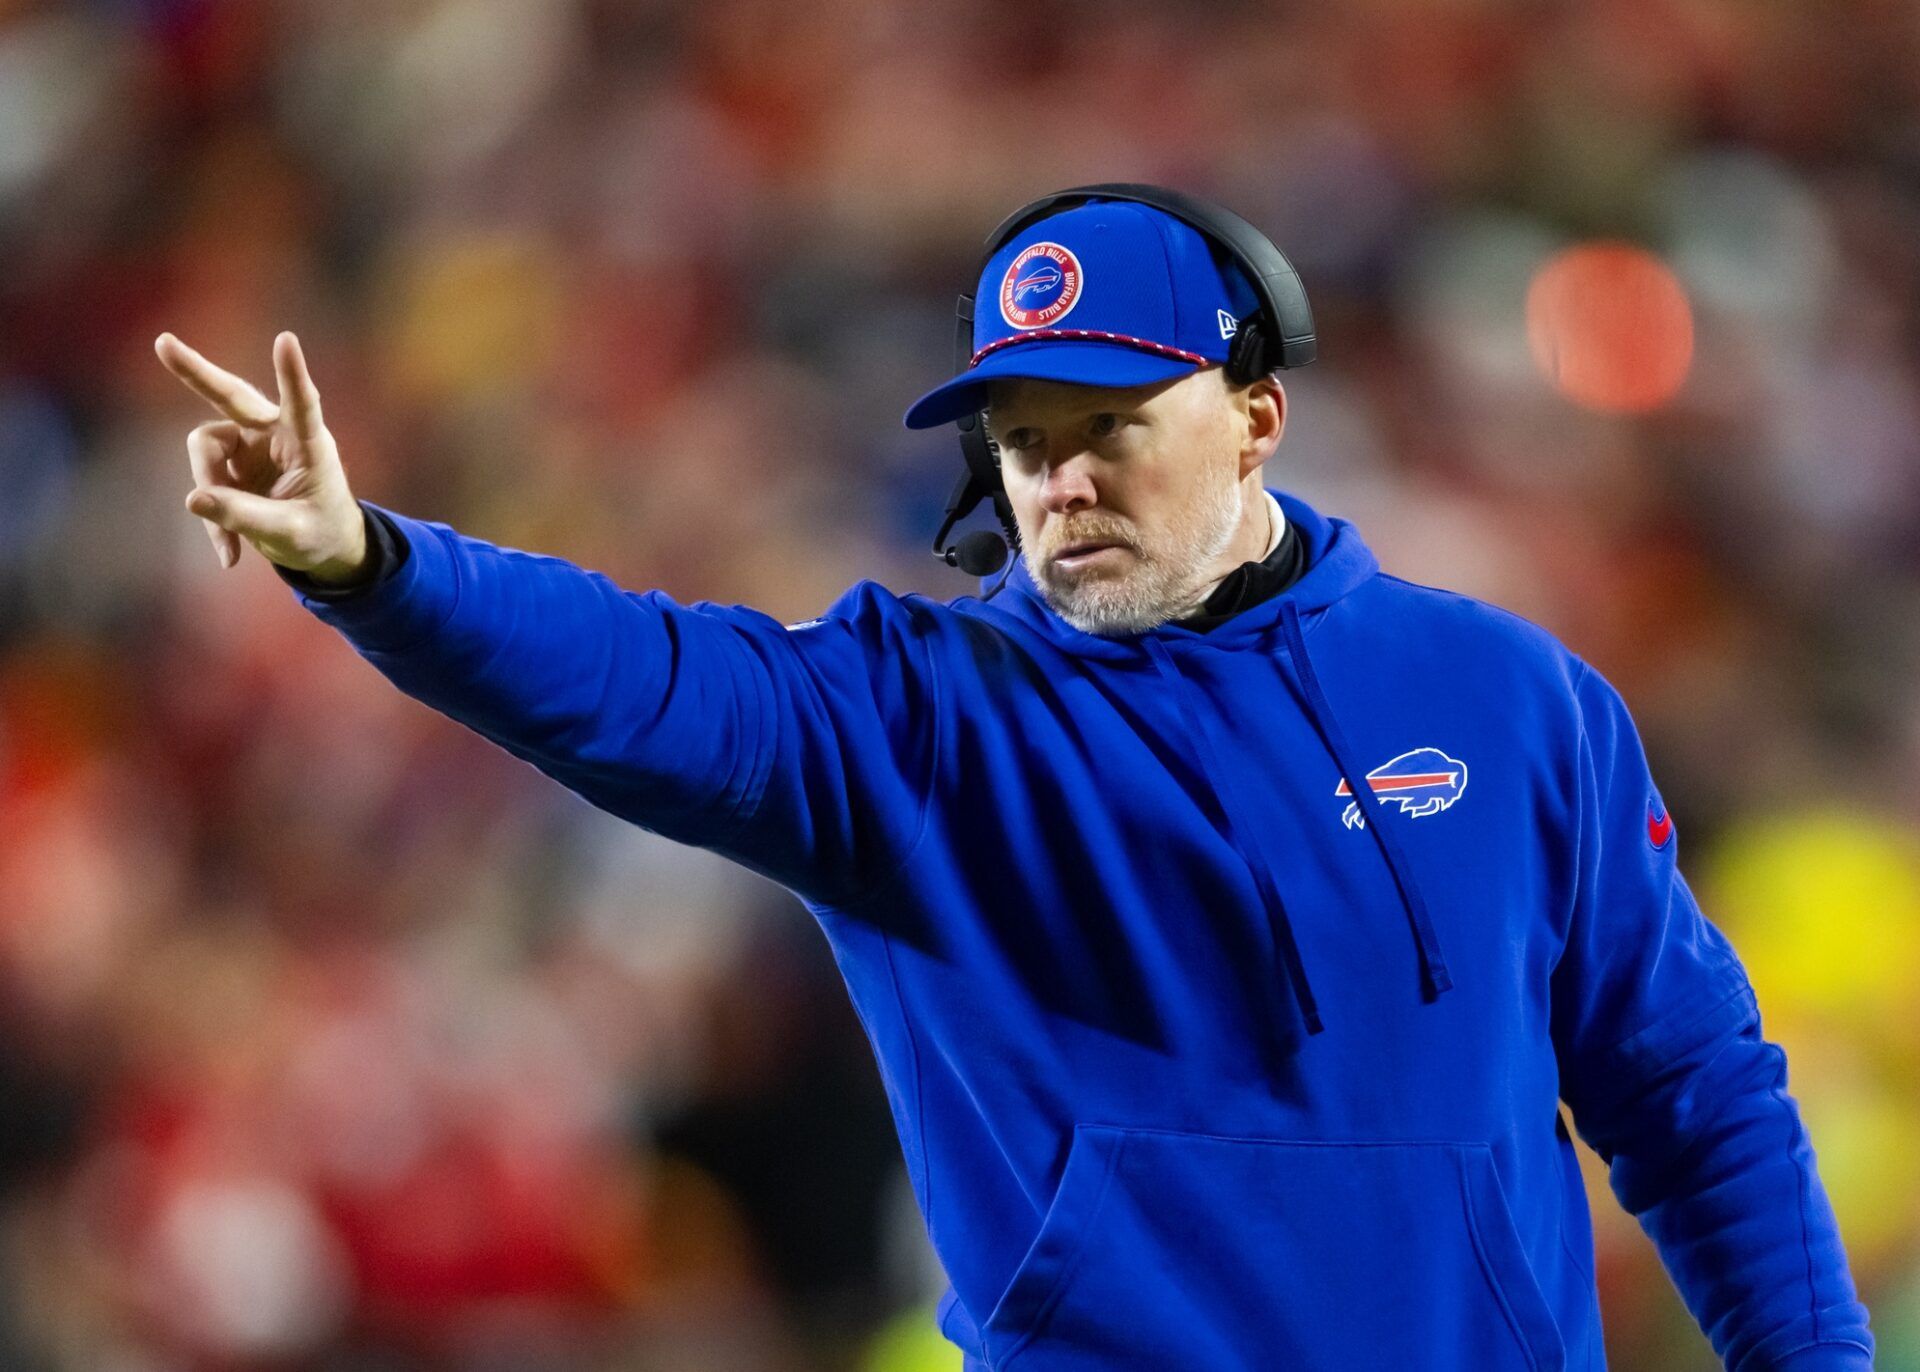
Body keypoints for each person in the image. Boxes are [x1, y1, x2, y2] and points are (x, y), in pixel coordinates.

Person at [157, 193, 1873, 1371]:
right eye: (1023, 439)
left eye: (1108, 423)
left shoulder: (1509, 699)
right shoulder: (920, 728)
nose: (1058, 482)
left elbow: (1696, 1096)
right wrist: (375, 561)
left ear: (1258, 410)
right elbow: (644, 675)